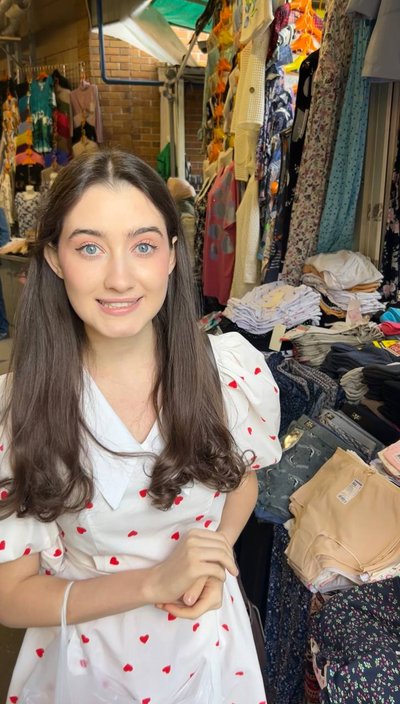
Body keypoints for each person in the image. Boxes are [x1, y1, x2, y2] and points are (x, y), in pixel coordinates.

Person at [0, 150, 281, 703]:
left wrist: (215, 554)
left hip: (211, 652)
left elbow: (240, 479)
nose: (120, 278)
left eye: (143, 246)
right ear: (54, 258)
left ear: (172, 255)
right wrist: (152, 583)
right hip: (87, 666)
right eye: (90, 247)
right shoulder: (21, 405)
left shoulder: (225, 373)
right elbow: (10, 596)